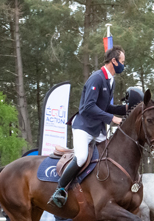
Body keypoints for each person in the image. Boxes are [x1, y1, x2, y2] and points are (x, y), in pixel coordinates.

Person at [49, 45, 128, 207]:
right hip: (83, 127)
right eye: (122, 62)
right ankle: (60, 189)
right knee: (82, 157)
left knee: (108, 157)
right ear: (113, 61)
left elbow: (105, 107)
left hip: (98, 130)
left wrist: (126, 110)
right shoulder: (97, 78)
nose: (123, 65)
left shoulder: (110, 81)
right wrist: (113, 119)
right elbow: (87, 107)